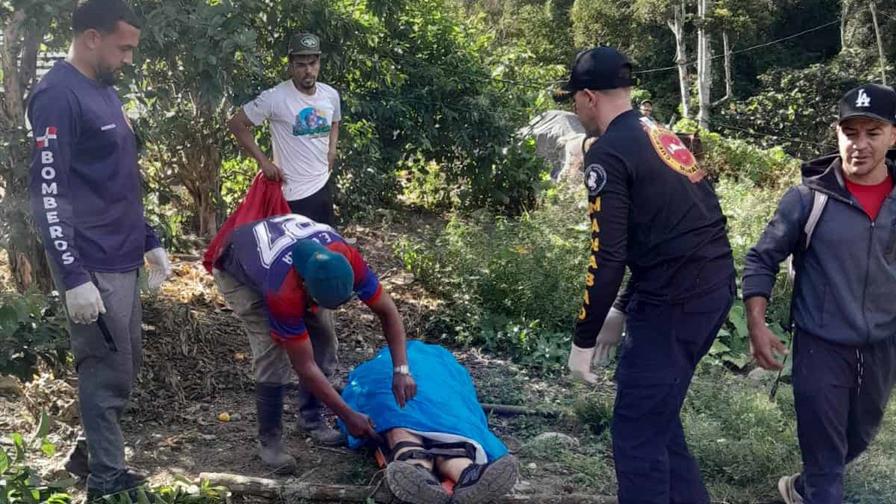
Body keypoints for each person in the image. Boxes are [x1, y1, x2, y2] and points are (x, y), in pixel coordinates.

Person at [557, 46, 735, 504]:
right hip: (709, 288)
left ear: (589, 96)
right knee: (659, 418)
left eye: (574, 99)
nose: (575, 109)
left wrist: (584, 337)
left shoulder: (609, 153)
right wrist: (620, 307)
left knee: (636, 432)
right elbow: (672, 230)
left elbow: (608, 254)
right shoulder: (659, 134)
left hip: (675, 302)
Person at [27, 0, 172, 499]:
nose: (129, 59)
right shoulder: (56, 96)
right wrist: (72, 275)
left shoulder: (104, 92)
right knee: (106, 373)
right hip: (90, 260)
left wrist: (149, 240)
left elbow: (119, 179)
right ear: (92, 37)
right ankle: (106, 480)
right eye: (124, 48)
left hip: (123, 255)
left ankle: (87, 455)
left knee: (123, 367)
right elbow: (48, 193)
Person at [743, 83, 896, 504]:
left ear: (893, 136)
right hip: (820, 346)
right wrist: (757, 324)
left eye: (873, 132)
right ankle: (818, 487)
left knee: (859, 439)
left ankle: (802, 488)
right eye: (850, 132)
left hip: (882, 345)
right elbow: (761, 259)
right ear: (837, 134)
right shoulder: (809, 198)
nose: (859, 144)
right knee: (827, 464)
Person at [212, 213, 416, 474]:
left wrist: (401, 370)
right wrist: (347, 415)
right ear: (305, 286)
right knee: (272, 353)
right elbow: (304, 365)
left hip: (294, 257)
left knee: (324, 337)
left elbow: (388, 312)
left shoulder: (347, 259)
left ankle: (310, 419)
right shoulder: (282, 291)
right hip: (238, 268)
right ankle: (270, 441)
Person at [340, 341, 518, 504]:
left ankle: (418, 470)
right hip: (437, 399)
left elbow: (359, 390)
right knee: (445, 431)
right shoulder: (441, 362)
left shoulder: (378, 365)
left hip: (405, 390)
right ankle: (467, 473)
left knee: (398, 420)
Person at [227, 32, 341, 227]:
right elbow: (236, 123)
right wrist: (263, 161)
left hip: (322, 186)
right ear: (291, 65)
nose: (308, 71)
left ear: (319, 63)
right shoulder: (275, 98)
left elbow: (335, 122)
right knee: (296, 253)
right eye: (301, 65)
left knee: (325, 251)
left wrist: (332, 149)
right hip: (291, 194)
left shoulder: (330, 94)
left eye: (313, 63)